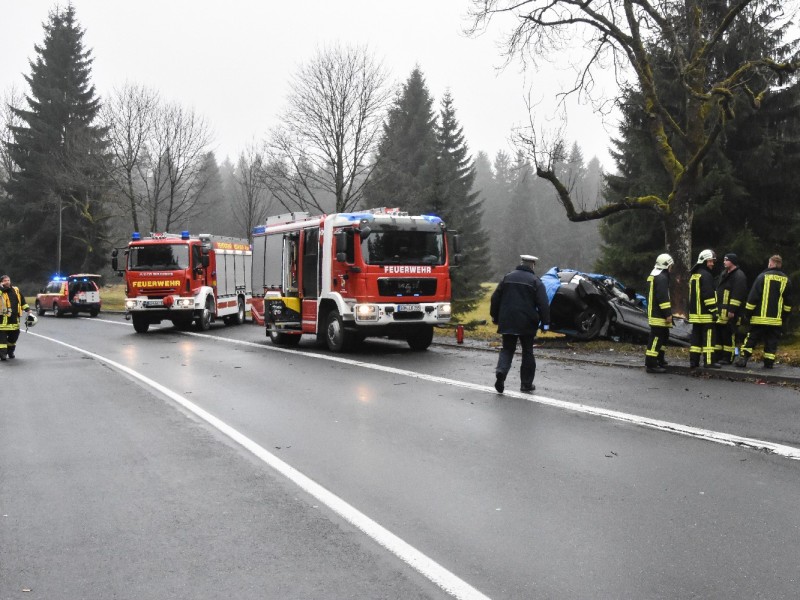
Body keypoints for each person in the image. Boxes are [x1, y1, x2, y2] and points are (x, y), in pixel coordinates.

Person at [490, 254, 551, 393]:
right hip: (527, 323)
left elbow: (495, 298)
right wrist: (545, 324)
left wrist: (495, 316)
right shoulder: (536, 281)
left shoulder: (507, 277)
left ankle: (501, 373)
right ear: (533, 265)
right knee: (527, 351)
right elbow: (543, 304)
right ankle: (526, 384)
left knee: (507, 349)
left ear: (521, 262)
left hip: (508, 320)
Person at [735, 255, 793, 369]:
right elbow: (788, 303)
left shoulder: (762, 277)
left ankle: (743, 359)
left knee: (751, 339)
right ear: (780, 265)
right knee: (772, 342)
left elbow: (753, 297)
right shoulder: (786, 280)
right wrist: (784, 317)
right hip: (776, 320)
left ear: (770, 264)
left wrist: (747, 313)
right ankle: (768, 363)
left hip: (759, 318)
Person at [688, 249, 721, 369]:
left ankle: (694, 361)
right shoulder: (706, 275)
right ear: (704, 261)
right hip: (706, 314)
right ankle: (709, 361)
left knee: (696, 339)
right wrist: (713, 310)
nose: (712, 264)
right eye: (710, 261)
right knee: (708, 338)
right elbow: (708, 295)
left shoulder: (694, 275)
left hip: (695, 314)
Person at [715, 253, 748, 364]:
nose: (724, 262)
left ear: (732, 261)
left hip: (731, 313)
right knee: (720, 335)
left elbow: (738, 295)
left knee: (729, 335)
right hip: (721, 312)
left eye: (726, 260)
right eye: (724, 260)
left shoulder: (739, 276)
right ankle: (719, 356)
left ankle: (729, 357)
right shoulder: (724, 274)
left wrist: (732, 310)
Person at [644, 253, 674, 374]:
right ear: (667, 265)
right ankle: (651, 364)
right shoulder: (661, 278)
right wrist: (668, 313)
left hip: (655, 313)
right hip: (659, 315)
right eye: (671, 265)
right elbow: (662, 297)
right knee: (656, 338)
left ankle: (659, 359)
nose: (672, 268)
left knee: (663, 337)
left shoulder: (654, 275)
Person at [0, 274, 31, 361]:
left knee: (14, 336)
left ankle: (10, 352)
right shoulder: (0, 290)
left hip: (14, 318)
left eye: (8, 280)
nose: (7, 282)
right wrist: (1, 288)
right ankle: (2, 354)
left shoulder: (16, 290)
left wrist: (28, 309)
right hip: (2, 319)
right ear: (1, 282)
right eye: (5, 281)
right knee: (2, 340)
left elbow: (22, 301)